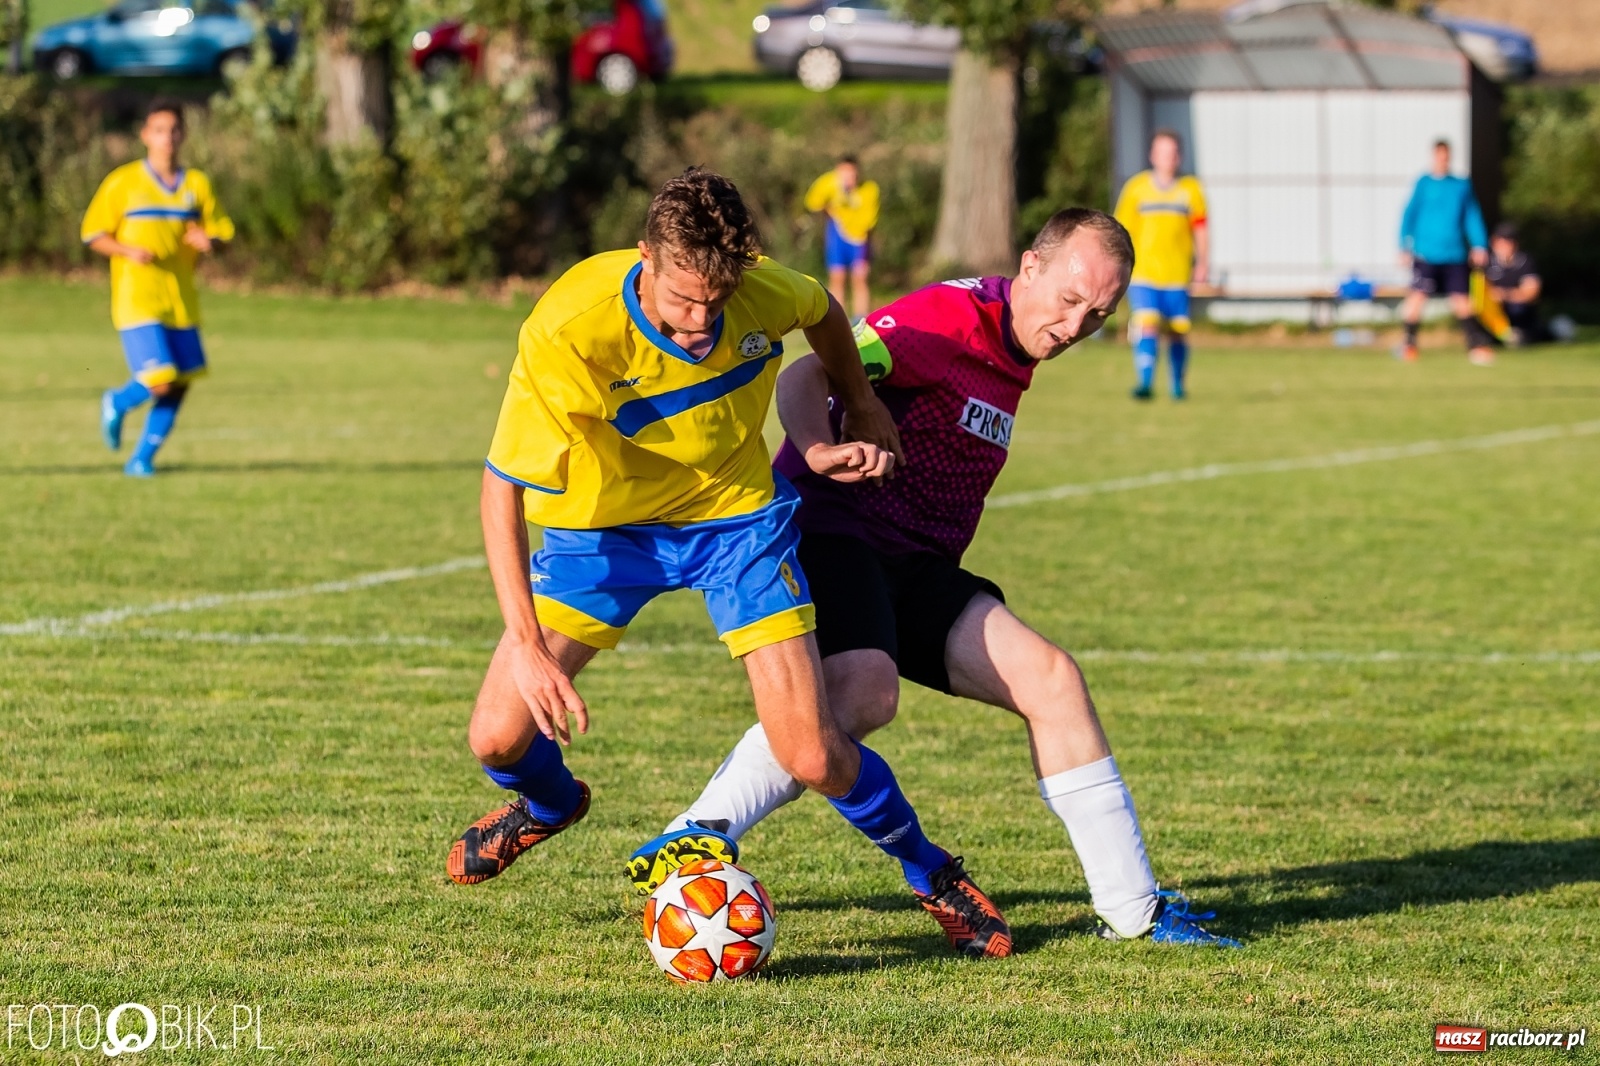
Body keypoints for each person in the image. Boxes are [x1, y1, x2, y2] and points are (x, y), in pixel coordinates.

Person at [450, 168, 1014, 960]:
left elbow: (823, 313)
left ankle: (932, 874)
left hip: (734, 523)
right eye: (682, 299)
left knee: (812, 751)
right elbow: (499, 488)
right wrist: (528, 646)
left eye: (714, 301)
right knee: (497, 737)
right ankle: (546, 807)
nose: (698, 322)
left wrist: (858, 400)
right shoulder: (569, 328)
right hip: (602, 532)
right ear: (644, 256)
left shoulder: (758, 292)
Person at [644, 208, 1240, 948]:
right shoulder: (943, 319)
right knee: (863, 692)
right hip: (835, 529)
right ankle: (695, 834)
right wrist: (821, 448)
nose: (1075, 324)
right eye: (1068, 299)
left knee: (1051, 680)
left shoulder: (1017, 352)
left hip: (917, 564)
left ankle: (1135, 912)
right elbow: (807, 372)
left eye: (1098, 314)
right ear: (1030, 267)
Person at [83, 98, 234, 477]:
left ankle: (141, 461)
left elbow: (222, 232)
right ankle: (117, 401)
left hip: (181, 300)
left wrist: (211, 242)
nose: (168, 137)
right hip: (138, 299)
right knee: (162, 380)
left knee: (181, 384)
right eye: (160, 130)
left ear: (183, 134)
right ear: (145, 135)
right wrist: (127, 249)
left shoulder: (196, 184)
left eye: (174, 130)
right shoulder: (124, 182)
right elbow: (92, 234)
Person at [1113, 129, 1208, 401]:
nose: (1169, 157)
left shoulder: (1191, 190)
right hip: (1144, 273)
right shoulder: (1136, 189)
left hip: (1177, 274)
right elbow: (1121, 230)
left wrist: (1202, 262)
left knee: (1178, 332)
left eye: (1173, 152)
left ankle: (1177, 385)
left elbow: (1201, 229)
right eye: (1163, 152)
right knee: (1149, 325)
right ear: (1152, 155)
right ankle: (1145, 383)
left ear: (1180, 156)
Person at [1397, 139, 1493, 366]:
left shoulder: (1460, 186)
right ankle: (1409, 345)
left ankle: (1475, 346)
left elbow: (1472, 217)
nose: (1443, 159)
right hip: (1426, 254)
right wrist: (1403, 245)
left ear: (1449, 157)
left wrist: (1479, 245)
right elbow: (1408, 215)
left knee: (1462, 300)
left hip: (1454, 254)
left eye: (1446, 156)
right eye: (1439, 155)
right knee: (1417, 298)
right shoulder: (1424, 183)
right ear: (1434, 156)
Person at [804, 155, 880, 323]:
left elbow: (869, 219)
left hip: (860, 237)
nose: (848, 178)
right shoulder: (828, 183)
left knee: (860, 277)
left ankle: (861, 320)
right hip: (836, 235)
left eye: (852, 174)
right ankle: (838, 319)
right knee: (837, 277)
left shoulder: (869, 189)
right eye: (844, 173)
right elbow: (812, 202)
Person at [1485, 222, 1543, 345]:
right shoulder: (1487, 263)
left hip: (1519, 312)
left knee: (1518, 309)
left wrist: (1504, 295)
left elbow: (1531, 293)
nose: (1506, 245)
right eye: (1502, 240)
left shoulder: (1526, 261)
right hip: (1494, 314)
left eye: (1509, 241)